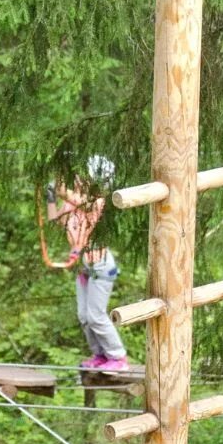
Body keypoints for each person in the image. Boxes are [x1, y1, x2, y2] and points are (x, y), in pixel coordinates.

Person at [45, 155, 130, 371]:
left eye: (84, 178)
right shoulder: (74, 205)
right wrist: (50, 197)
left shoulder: (98, 203)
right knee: (84, 317)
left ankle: (118, 357)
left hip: (101, 266)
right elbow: (55, 218)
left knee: (96, 315)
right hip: (85, 268)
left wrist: (59, 183)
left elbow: (75, 198)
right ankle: (100, 355)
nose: (79, 181)